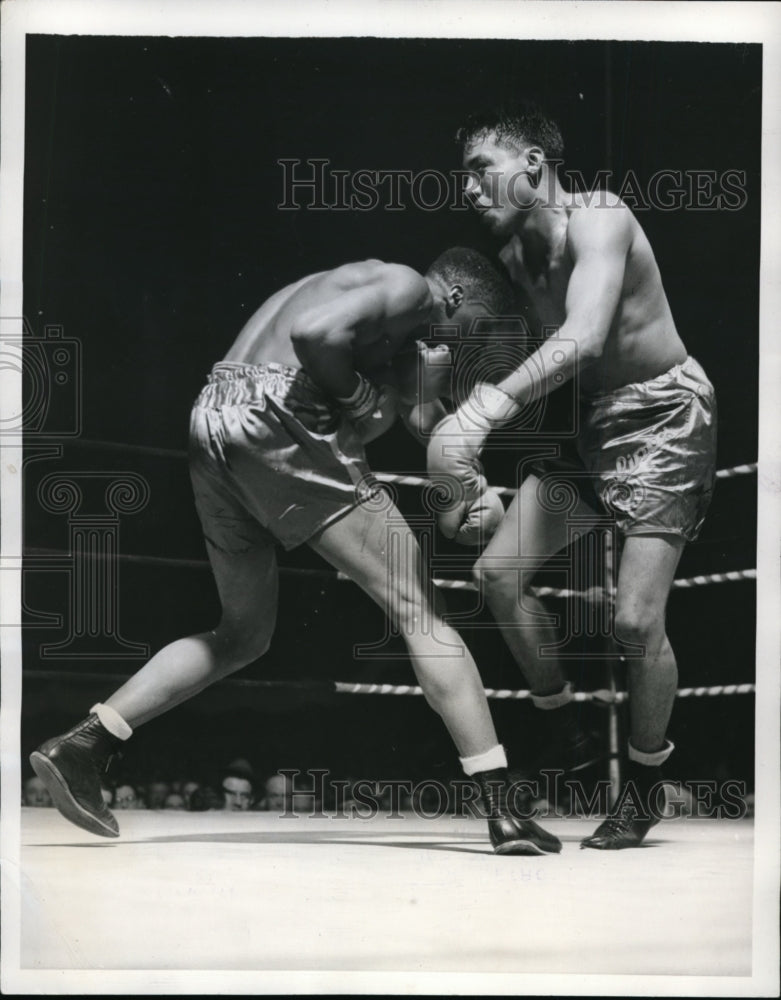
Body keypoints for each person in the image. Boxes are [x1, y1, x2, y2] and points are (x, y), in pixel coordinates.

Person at [30, 252, 561, 857]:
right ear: (459, 297)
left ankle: (86, 744)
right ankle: (502, 807)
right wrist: (361, 401)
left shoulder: (353, 300)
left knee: (243, 633)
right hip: (279, 416)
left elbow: (422, 418)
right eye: (480, 329)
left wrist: (467, 492)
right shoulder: (409, 287)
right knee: (422, 613)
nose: (468, 346)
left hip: (214, 419)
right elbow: (317, 340)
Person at [426, 103, 717, 849]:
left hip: (661, 418)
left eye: (479, 169)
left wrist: (482, 411)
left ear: (532, 164)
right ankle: (571, 728)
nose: (467, 188)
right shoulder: (512, 265)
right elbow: (523, 361)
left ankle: (647, 779)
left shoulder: (599, 216)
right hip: (587, 427)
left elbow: (584, 336)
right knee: (496, 575)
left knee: (631, 621)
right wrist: (442, 422)